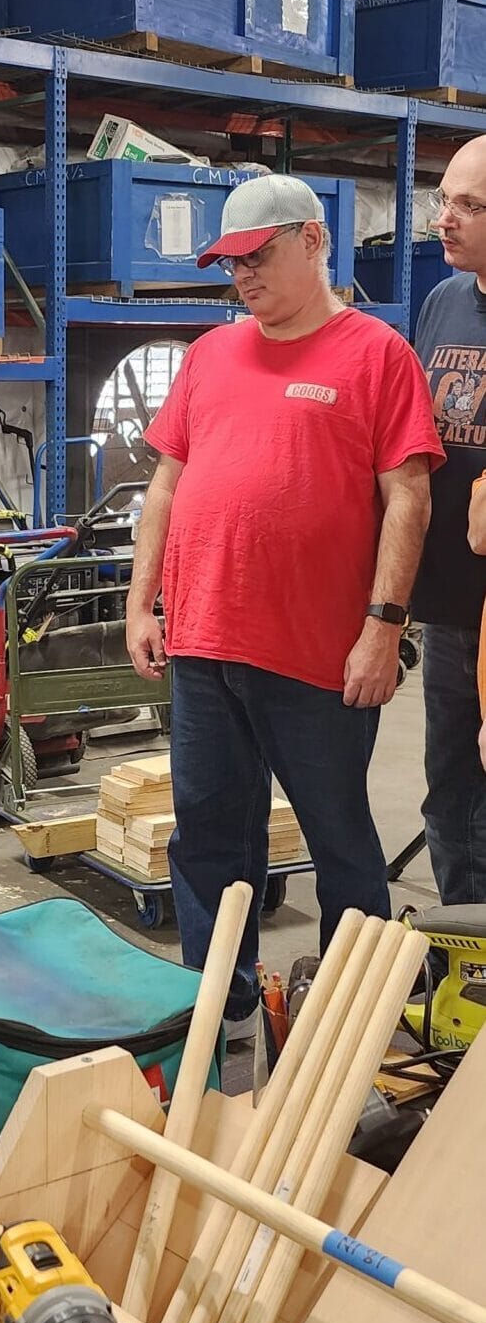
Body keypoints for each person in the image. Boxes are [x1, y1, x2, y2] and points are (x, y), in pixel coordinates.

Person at [126, 173, 441, 1031]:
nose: (243, 279)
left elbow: (408, 498)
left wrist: (383, 628)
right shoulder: (211, 355)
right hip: (203, 643)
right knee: (208, 840)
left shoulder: (377, 354)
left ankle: (354, 1021)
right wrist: (141, 602)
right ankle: (217, 1008)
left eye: (257, 257)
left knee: (339, 839)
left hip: (316, 654)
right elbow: (166, 482)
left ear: (313, 241)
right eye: (230, 265)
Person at [411, 137, 486, 904]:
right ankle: (469, 953)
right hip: (449, 608)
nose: (446, 219)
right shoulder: (443, 302)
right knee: (451, 790)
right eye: (444, 200)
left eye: (469, 206)